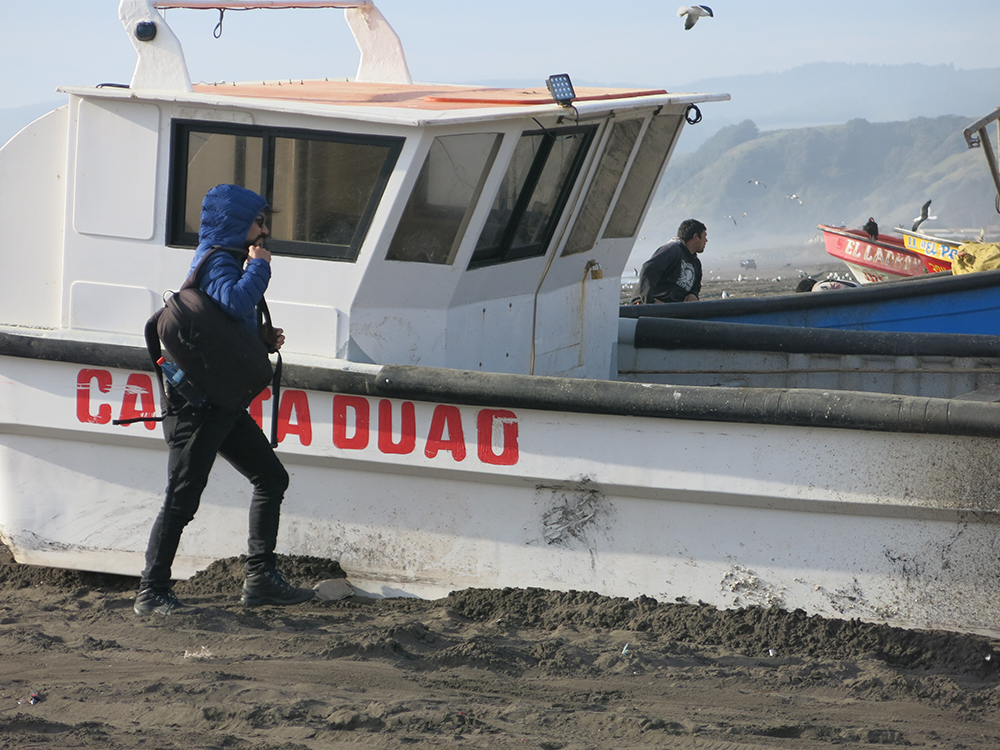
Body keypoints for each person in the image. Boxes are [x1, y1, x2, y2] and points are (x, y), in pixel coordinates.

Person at [134, 183, 315, 617]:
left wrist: (260, 338)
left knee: (272, 478)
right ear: (238, 223)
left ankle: (260, 579)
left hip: (221, 404)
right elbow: (233, 300)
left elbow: (224, 319)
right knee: (182, 498)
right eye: (259, 221)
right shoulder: (218, 259)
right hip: (196, 409)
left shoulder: (224, 259)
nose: (264, 230)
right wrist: (261, 268)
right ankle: (151, 591)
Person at [631, 219, 707, 304]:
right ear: (695, 237)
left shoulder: (696, 263)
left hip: (671, 307)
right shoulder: (672, 250)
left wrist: (693, 294)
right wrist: (649, 301)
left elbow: (696, 285)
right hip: (647, 305)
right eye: (704, 236)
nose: (706, 240)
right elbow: (649, 268)